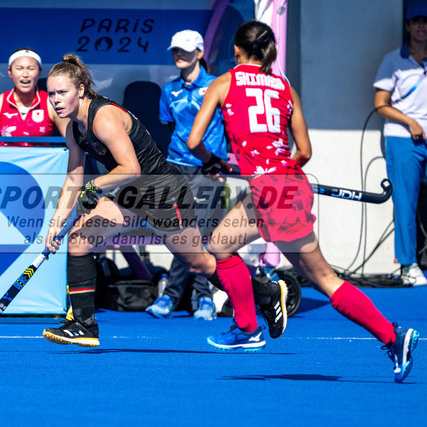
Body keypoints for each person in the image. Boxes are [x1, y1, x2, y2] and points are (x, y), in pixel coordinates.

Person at [187, 20, 419, 383]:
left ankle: (393, 337)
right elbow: (304, 151)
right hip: (284, 186)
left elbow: (193, 141)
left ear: (236, 50)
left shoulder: (224, 83)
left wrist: (214, 161)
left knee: (325, 279)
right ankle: (247, 325)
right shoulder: (285, 87)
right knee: (219, 245)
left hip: (271, 192)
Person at [40, 53, 285, 348]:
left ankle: (267, 294)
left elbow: (131, 167)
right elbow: (73, 178)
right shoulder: (73, 129)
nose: (55, 100)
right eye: (51, 94)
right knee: (79, 239)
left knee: (199, 264)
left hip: (163, 191)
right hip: (130, 193)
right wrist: (56, 222)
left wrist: (96, 185)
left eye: (62, 92)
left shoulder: (103, 117)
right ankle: (84, 325)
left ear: (80, 90)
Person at [145, 30, 228, 320]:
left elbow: (227, 126)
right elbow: (171, 127)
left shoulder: (217, 85)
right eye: (175, 50)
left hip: (208, 168)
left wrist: (219, 162)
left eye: (185, 50)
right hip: (176, 166)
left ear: (200, 53)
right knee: (179, 232)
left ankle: (187, 296)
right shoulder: (169, 90)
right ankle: (195, 297)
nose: (179, 54)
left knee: (198, 233)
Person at [374, 2, 427, 286]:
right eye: (417, 21)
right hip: (403, 138)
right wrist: (410, 122)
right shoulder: (393, 59)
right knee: (406, 202)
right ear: (407, 25)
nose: (422, 26)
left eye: (426, 21)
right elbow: (380, 104)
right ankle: (408, 266)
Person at [0, 47, 68, 146]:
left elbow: (71, 141)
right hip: (5, 157)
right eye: (19, 68)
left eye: (31, 68)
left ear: (39, 71)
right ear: (10, 72)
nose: (25, 74)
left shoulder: (51, 103)